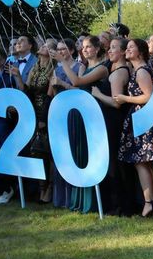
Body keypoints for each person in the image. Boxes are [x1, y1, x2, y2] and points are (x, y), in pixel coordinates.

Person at [58, 35, 110, 213]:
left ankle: (94, 201)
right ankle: (80, 199)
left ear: (97, 48)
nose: (85, 49)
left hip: (95, 115)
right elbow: (78, 85)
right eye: (84, 47)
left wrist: (63, 61)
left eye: (89, 47)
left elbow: (77, 82)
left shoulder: (102, 68)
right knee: (80, 154)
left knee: (92, 154)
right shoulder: (84, 67)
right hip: (82, 114)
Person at [115, 39, 153, 217]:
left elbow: (148, 96)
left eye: (131, 47)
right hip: (141, 117)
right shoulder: (140, 69)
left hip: (143, 118)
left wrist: (125, 98)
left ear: (140, 52)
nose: (127, 50)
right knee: (147, 163)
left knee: (141, 161)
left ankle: (149, 202)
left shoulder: (141, 71)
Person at [91, 38, 132, 215]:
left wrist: (98, 94)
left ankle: (121, 206)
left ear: (123, 52)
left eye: (114, 47)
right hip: (112, 119)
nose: (109, 50)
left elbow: (116, 103)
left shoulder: (118, 73)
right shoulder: (115, 69)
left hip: (114, 120)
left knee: (115, 163)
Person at [48, 38, 81, 208]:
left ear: (72, 51)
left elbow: (80, 89)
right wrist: (53, 85)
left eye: (63, 49)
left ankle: (73, 198)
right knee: (60, 155)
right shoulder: (56, 68)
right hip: (59, 111)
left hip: (73, 112)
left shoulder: (78, 66)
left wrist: (61, 83)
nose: (60, 52)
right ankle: (60, 198)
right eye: (58, 49)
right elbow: (51, 93)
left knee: (72, 153)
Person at [24, 38, 55, 203]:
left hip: (46, 112)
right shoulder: (34, 68)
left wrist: (43, 118)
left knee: (47, 151)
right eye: (43, 45)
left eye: (48, 46)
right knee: (35, 151)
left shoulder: (53, 69)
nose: (43, 47)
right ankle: (40, 187)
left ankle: (49, 188)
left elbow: (49, 95)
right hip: (32, 112)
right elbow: (27, 89)